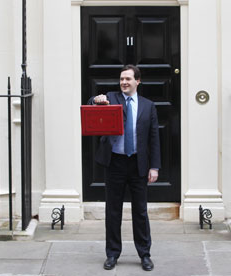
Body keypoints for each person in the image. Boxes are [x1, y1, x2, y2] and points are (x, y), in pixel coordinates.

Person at [88, 64, 161, 271]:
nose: (124, 82)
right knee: (113, 211)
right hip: (115, 163)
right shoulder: (112, 97)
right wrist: (96, 100)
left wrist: (154, 167)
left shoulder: (148, 106)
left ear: (138, 81)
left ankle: (144, 254)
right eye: (121, 79)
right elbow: (91, 104)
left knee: (140, 212)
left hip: (138, 164)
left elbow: (154, 139)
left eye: (128, 79)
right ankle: (112, 254)